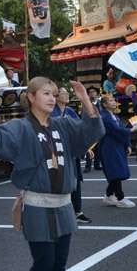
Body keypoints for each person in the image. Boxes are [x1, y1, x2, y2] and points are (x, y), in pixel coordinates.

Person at [0, 76, 104, 271]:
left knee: (59, 265)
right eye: (46, 93)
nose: (52, 98)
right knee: (44, 264)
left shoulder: (63, 125)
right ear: (31, 97)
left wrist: (85, 100)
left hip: (63, 206)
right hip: (37, 206)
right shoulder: (20, 127)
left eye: (53, 94)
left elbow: (91, 132)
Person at [50, 86, 91, 224]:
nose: (67, 95)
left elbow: (79, 129)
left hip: (73, 152)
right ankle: (62, 211)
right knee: (60, 181)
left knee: (76, 181)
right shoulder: (51, 112)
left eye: (68, 93)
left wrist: (86, 147)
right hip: (58, 152)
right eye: (64, 93)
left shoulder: (70, 111)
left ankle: (78, 211)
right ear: (56, 96)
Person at [99, 94, 137, 208]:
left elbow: (120, 131)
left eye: (114, 100)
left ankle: (109, 195)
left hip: (117, 146)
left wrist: (127, 144)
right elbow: (118, 130)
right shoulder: (105, 117)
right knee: (116, 171)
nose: (114, 102)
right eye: (110, 101)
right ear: (104, 104)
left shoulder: (114, 116)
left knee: (118, 171)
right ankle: (120, 198)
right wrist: (133, 129)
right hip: (109, 147)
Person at [83, 86, 103, 172]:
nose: (92, 94)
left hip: (99, 126)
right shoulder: (86, 104)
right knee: (90, 146)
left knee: (98, 147)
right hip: (90, 127)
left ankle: (97, 164)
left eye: (94, 92)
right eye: (90, 92)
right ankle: (88, 165)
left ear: (97, 93)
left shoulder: (101, 103)